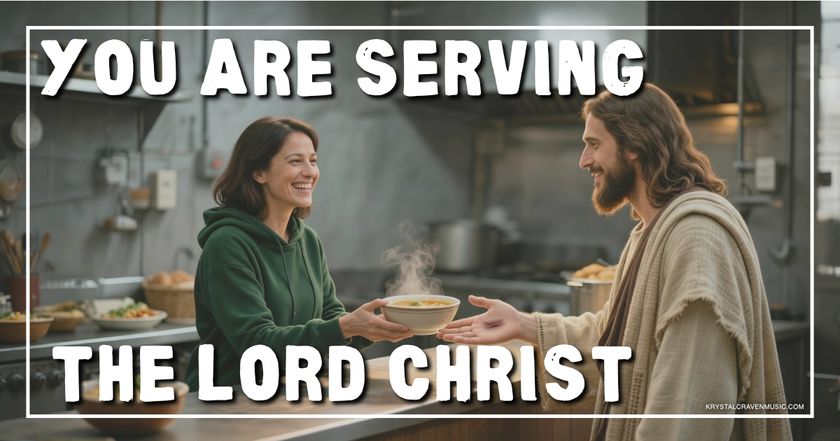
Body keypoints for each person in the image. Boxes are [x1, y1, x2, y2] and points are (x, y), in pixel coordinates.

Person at [438, 84, 792, 441]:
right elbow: (617, 343)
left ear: (636, 144)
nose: (583, 160)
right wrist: (524, 325)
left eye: (594, 144)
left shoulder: (695, 237)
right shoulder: (652, 230)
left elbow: (687, 407)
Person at [185, 117, 412, 389]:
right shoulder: (227, 245)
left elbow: (331, 317)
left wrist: (370, 328)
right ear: (259, 172)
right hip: (228, 401)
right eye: (296, 161)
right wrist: (346, 327)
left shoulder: (308, 240)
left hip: (293, 393)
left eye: (313, 161)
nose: (310, 172)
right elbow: (258, 345)